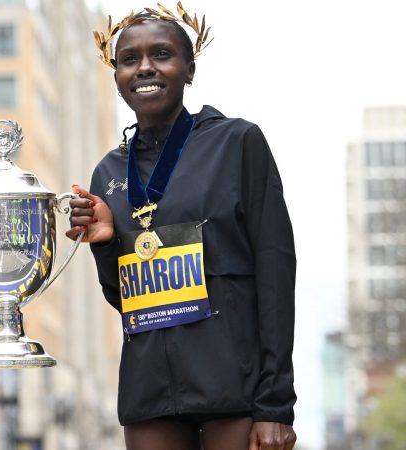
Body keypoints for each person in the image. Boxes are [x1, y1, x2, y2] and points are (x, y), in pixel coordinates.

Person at [67, 6, 297, 450]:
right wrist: (106, 244)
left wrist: (275, 404)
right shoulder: (108, 172)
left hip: (235, 388)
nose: (144, 68)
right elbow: (124, 299)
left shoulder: (237, 143)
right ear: (117, 77)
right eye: (129, 60)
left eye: (161, 54)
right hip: (151, 393)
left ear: (189, 69)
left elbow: (276, 272)